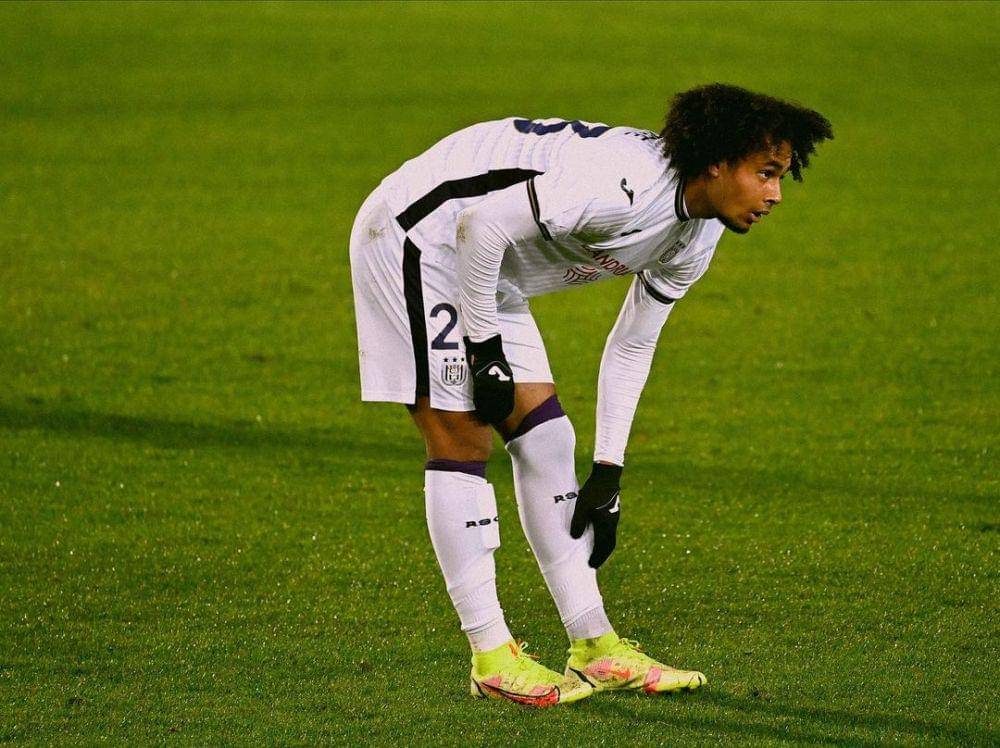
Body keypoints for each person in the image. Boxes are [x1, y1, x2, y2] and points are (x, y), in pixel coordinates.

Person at [349, 83, 833, 707]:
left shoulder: (698, 233)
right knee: (462, 436)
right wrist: (484, 351)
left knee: (549, 438)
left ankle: (595, 647)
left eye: (781, 178)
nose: (775, 195)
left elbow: (632, 345)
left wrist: (609, 470)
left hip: (491, 266)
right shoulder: (622, 184)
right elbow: (479, 223)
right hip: (421, 238)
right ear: (717, 162)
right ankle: (491, 656)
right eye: (765, 173)